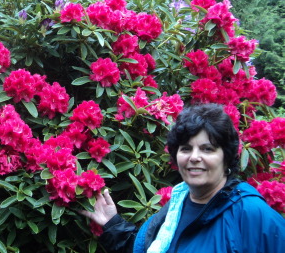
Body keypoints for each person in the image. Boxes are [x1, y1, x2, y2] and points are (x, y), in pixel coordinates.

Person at [81, 103, 285, 253]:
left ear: (226, 156)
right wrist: (112, 223)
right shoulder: (175, 207)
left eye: (207, 149)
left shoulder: (252, 215)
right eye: (186, 148)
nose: (194, 157)